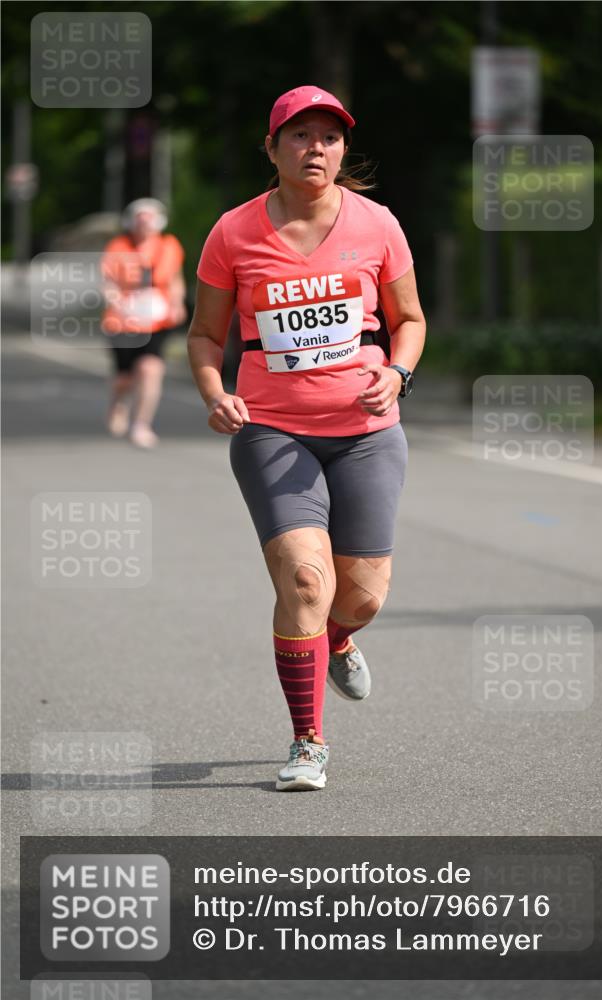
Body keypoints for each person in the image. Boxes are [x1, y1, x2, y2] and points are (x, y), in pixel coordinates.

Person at [188, 85, 426, 791]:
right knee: (303, 580)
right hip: (271, 430)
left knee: (360, 597)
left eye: (327, 137)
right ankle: (306, 742)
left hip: (366, 432)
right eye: (298, 136)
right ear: (272, 148)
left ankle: (340, 638)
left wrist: (399, 373)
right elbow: (204, 335)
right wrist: (215, 393)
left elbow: (408, 319)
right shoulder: (233, 232)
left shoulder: (377, 224)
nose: (313, 147)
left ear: (342, 149)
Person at [101, 198, 187, 448]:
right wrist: (117, 301)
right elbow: (107, 281)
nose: (145, 224)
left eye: (150, 218)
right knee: (124, 379)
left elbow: (175, 279)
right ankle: (118, 403)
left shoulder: (169, 245)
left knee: (151, 369)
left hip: (156, 320)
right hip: (123, 321)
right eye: (140, 219)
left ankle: (141, 424)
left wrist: (177, 303)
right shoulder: (118, 246)